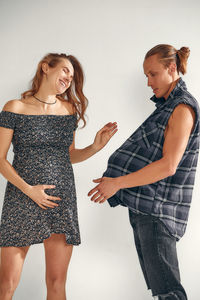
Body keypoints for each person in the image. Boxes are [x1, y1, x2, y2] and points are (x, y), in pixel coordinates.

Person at [0, 52, 118, 300]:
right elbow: (0, 159)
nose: (68, 78)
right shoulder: (15, 107)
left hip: (60, 200)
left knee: (56, 282)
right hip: (22, 198)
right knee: (7, 283)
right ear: (45, 68)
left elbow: (69, 156)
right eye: (65, 70)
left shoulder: (69, 110)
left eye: (72, 76)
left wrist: (95, 147)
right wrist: (29, 190)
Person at [88, 44, 200, 299]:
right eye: (146, 76)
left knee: (169, 292)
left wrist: (117, 183)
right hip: (146, 210)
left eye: (153, 74)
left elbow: (168, 165)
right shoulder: (166, 108)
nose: (148, 83)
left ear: (172, 68)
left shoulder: (181, 109)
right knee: (163, 292)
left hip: (157, 213)